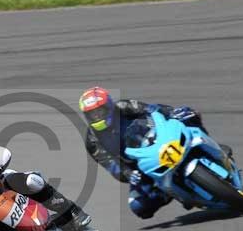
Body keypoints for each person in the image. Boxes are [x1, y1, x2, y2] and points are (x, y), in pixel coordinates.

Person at [79, 86, 229, 219]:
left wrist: (172, 112)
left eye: (100, 111)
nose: (97, 116)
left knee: (190, 114)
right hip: (138, 165)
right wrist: (128, 174)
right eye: (92, 114)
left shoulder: (123, 106)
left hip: (159, 137)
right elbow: (110, 165)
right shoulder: (93, 142)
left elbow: (151, 109)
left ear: (109, 106)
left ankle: (213, 149)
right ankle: (167, 193)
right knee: (138, 207)